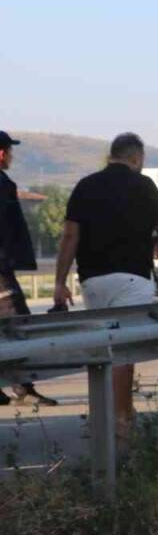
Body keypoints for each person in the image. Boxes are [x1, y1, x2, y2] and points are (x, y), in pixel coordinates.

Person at [53, 133, 158, 443]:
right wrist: (157, 237)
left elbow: (70, 237)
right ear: (136, 158)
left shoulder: (85, 185)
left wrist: (59, 283)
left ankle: (102, 417)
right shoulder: (143, 185)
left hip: (93, 279)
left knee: (102, 347)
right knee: (124, 351)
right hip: (133, 277)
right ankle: (122, 420)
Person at [0, 131, 55, 406]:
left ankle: (19, 385)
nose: (11, 156)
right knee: (17, 323)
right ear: (1, 153)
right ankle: (23, 386)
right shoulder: (1, 184)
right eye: (10, 151)